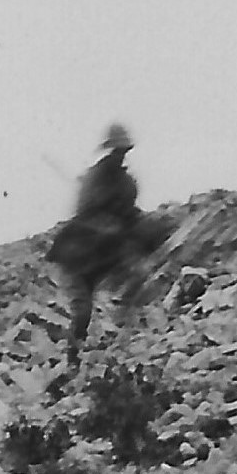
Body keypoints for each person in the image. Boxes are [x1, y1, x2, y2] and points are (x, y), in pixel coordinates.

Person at [47, 125, 171, 364]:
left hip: (101, 257)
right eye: (117, 150)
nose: (120, 155)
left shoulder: (126, 183)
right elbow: (85, 212)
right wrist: (105, 222)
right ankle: (73, 359)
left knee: (136, 276)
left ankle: (121, 336)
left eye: (123, 151)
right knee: (82, 310)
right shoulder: (95, 179)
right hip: (77, 256)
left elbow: (129, 215)